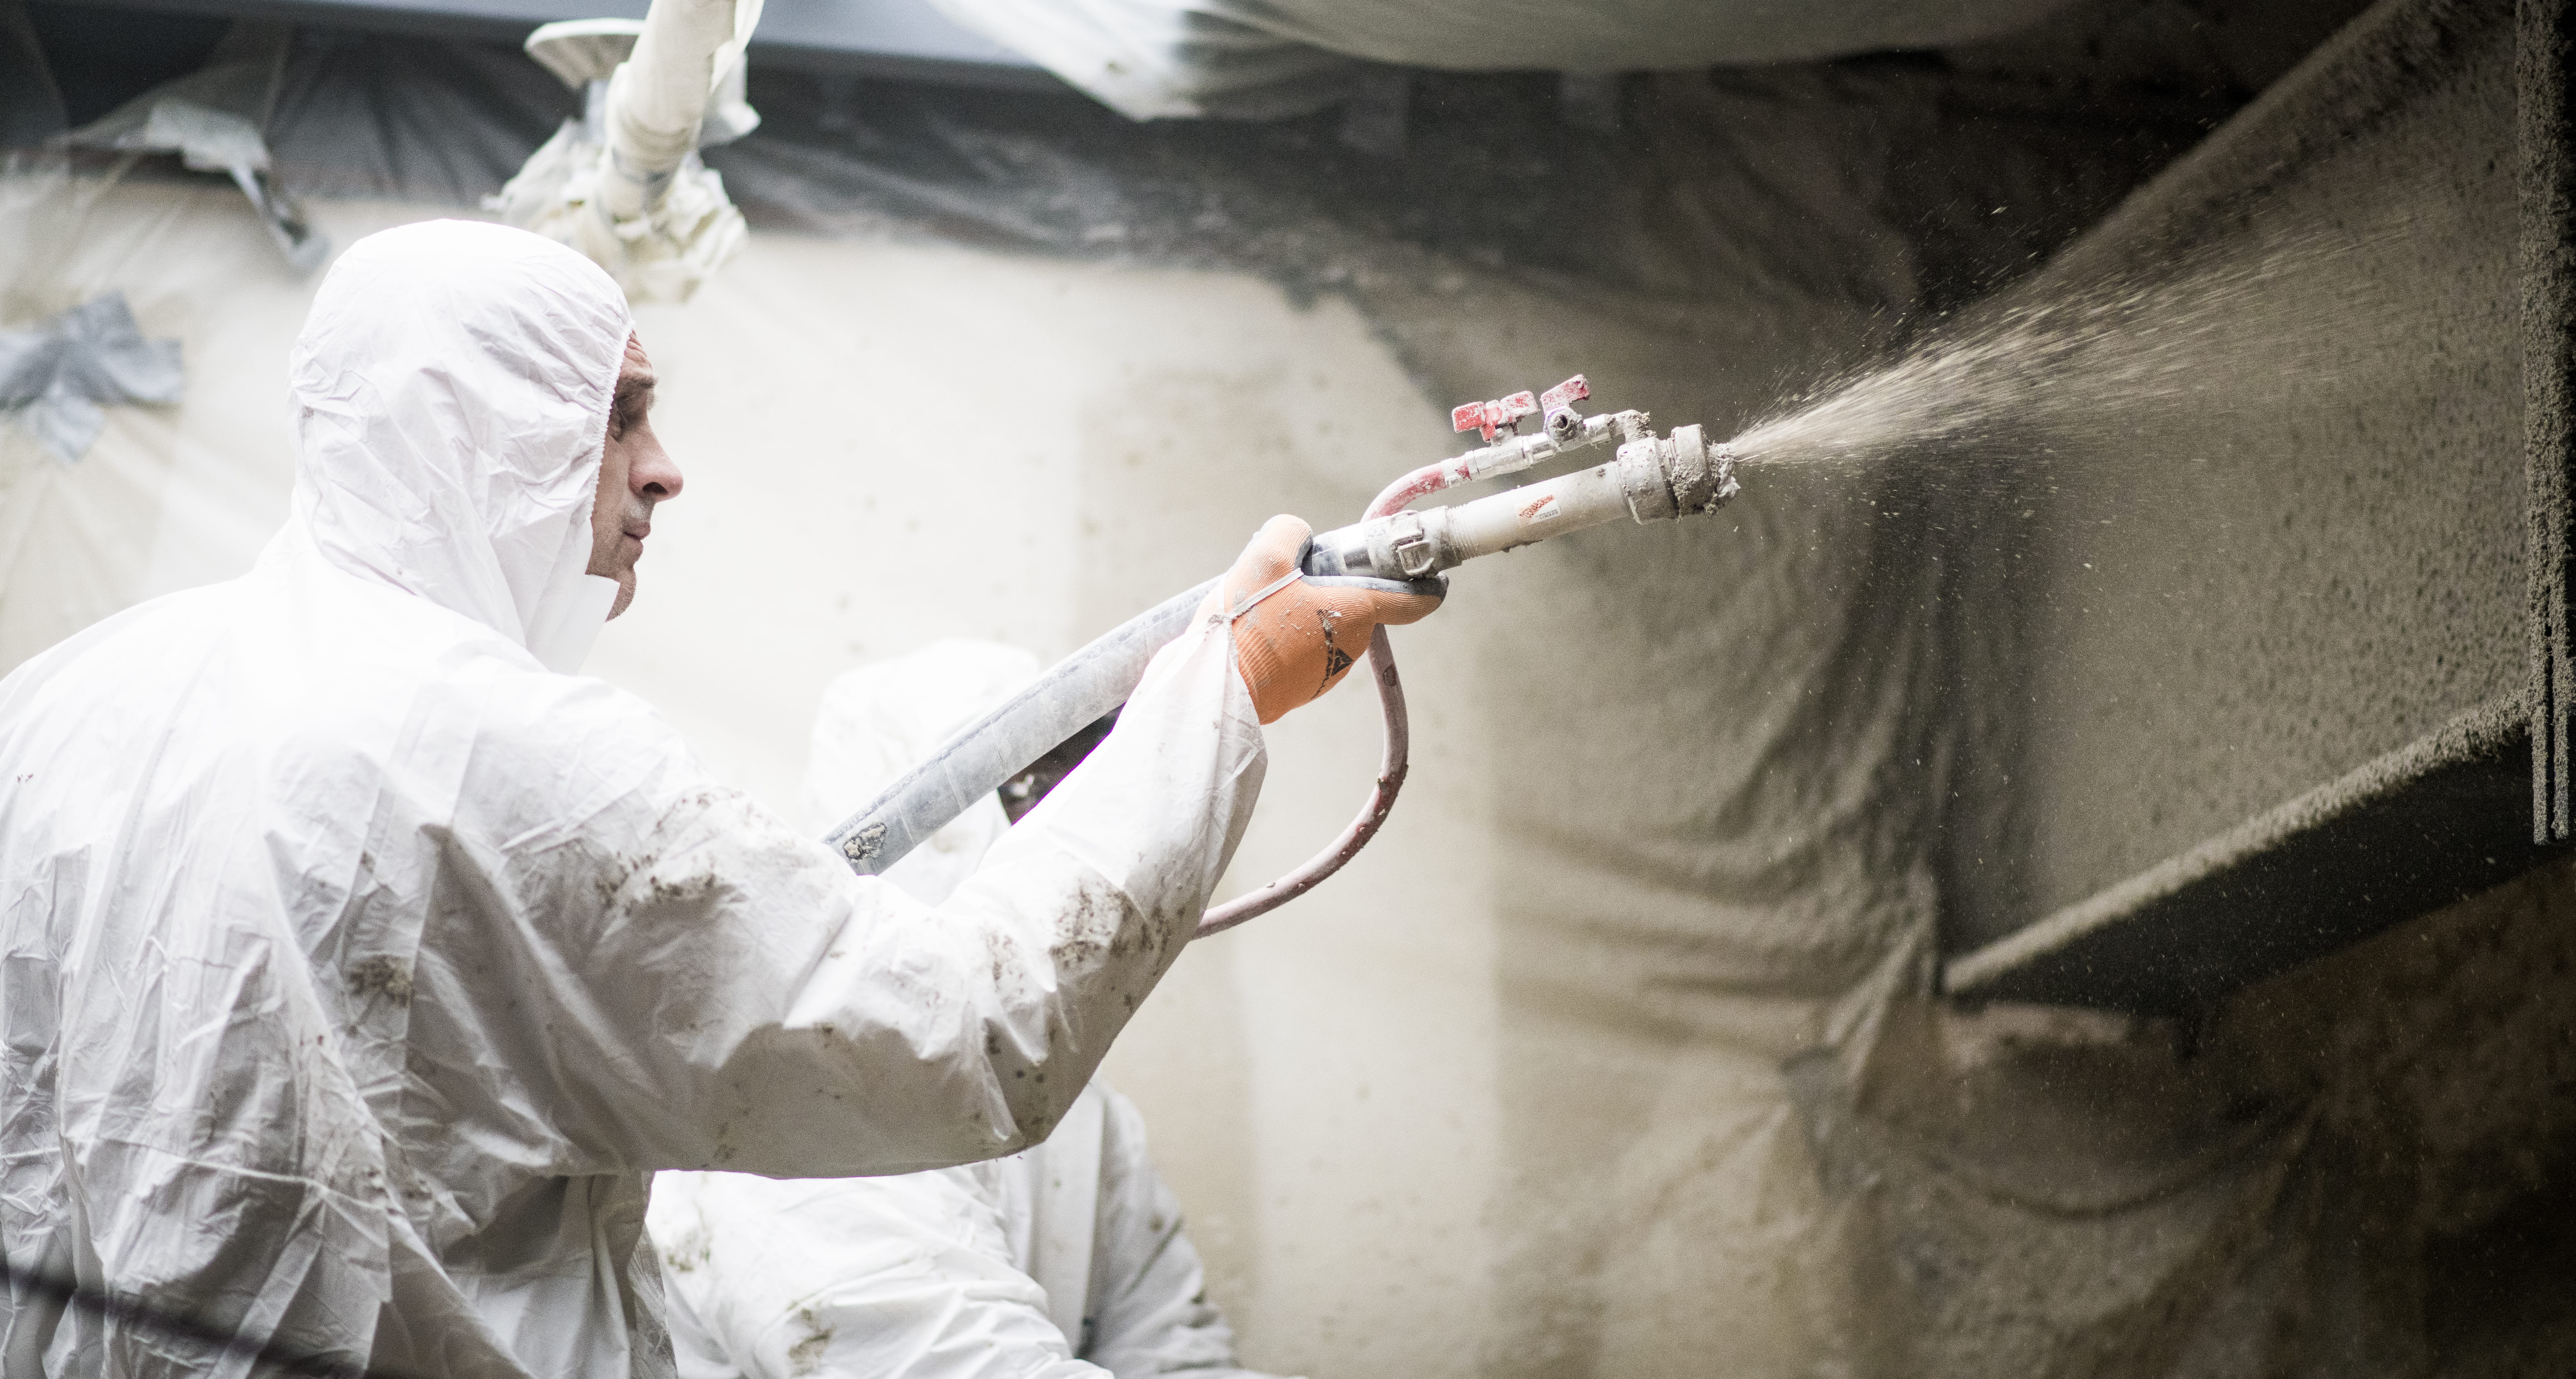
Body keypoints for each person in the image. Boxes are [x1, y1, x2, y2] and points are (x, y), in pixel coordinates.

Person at [0, 221, 1437, 1378]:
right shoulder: (492, 747)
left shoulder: (62, 701)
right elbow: (954, 1032)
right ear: (477, 425)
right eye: (618, 414)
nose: (665, 468)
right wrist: (1225, 684)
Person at [650, 641, 1285, 1379]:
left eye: (1085, 780)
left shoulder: (1091, 1122)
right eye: (1034, 784)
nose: (1073, 822)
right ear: (928, 817)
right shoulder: (790, 1101)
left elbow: (1177, 1353)